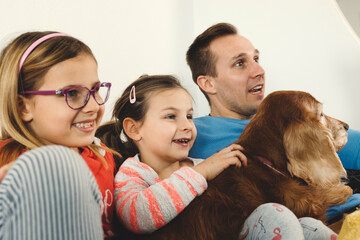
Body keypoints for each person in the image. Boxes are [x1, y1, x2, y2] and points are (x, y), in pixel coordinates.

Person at [97, 74, 337, 239]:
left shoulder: (200, 164)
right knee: (277, 216)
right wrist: (201, 172)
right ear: (134, 129)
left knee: (310, 226)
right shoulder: (134, 172)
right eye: (171, 117)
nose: (186, 126)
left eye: (189, 116)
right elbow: (138, 216)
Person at [186, 22, 360, 226]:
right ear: (208, 83)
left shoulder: (288, 118)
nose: (259, 70)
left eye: (256, 59)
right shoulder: (190, 134)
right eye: (240, 63)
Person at [0, 31, 119, 239]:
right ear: (23, 107)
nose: (93, 106)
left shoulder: (103, 156)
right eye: (72, 93)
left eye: (96, 89)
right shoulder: (6, 160)